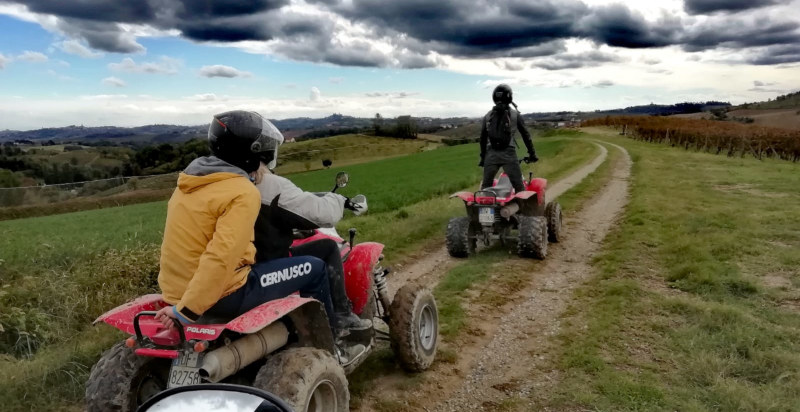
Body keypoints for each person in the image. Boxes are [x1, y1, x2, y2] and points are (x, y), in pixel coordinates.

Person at [153, 110, 364, 344]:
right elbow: (222, 256)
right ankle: (330, 343)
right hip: (223, 294)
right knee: (314, 268)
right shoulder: (243, 192)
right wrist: (187, 311)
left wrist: (181, 302)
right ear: (251, 152)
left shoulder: (190, 184)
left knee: (312, 255)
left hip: (177, 290)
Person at [251, 152, 371, 337]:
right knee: (326, 250)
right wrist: (340, 201)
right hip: (271, 263)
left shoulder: (231, 185)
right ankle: (337, 319)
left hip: (250, 263)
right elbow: (316, 212)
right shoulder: (267, 185)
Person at [479, 84, 538, 193]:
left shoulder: (487, 116)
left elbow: (482, 139)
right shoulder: (515, 115)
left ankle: (484, 209)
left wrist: (483, 158)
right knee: (519, 188)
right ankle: (525, 210)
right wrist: (532, 154)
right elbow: (526, 136)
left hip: (491, 155)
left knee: (485, 188)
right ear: (509, 97)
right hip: (509, 154)